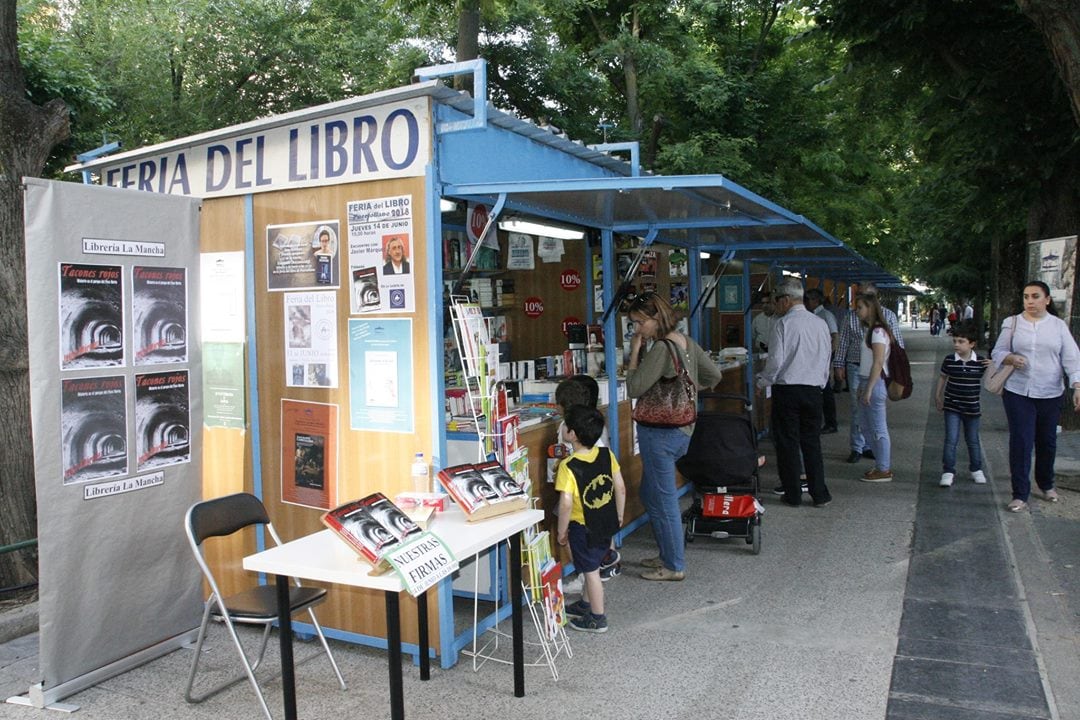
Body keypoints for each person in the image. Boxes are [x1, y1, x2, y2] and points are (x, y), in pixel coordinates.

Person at [626, 291, 723, 580]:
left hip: (661, 433)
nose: (637, 330)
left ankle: (674, 566)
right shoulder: (685, 341)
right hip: (682, 429)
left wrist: (634, 353)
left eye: (639, 323)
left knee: (664, 498)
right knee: (650, 493)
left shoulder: (660, 348)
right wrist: (688, 395)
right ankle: (667, 553)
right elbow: (713, 376)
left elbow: (634, 387)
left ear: (655, 318)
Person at [991, 281, 1080, 512]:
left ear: (1047, 300)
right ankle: (1020, 493)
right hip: (1018, 391)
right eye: (1026, 296)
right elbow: (997, 351)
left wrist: (1077, 386)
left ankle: (1046, 484)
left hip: (1050, 393)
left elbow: (1072, 358)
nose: (1029, 301)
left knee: (1047, 442)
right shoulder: (1012, 323)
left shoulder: (1058, 326)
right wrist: (1010, 358)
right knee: (1021, 441)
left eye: (1035, 296)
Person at [756, 278, 833, 508]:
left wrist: (762, 381)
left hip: (787, 391)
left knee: (787, 443)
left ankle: (793, 493)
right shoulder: (819, 323)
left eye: (777, 300)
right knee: (812, 442)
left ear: (786, 299)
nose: (776, 305)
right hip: (813, 390)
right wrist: (820, 383)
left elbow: (776, 360)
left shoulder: (783, 324)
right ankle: (820, 493)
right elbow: (825, 356)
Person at [556, 406, 626, 633]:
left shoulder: (569, 466)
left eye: (566, 426)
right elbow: (620, 488)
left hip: (582, 527)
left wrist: (561, 531)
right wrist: (619, 514)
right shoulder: (607, 455)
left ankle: (597, 618)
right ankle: (585, 604)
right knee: (591, 565)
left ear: (573, 434)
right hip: (605, 522)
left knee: (591, 572)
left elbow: (566, 504)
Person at [554, 375, 621, 581]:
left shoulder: (569, 430)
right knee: (601, 527)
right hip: (600, 493)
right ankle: (607, 562)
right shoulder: (594, 422)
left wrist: (561, 531)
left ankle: (585, 575)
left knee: (571, 529)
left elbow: (565, 504)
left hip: (579, 499)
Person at [935, 320, 990, 487]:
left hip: (972, 408)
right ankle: (948, 471)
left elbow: (992, 380)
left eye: (961, 341)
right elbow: (943, 377)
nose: (956, 345)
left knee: (973, 440)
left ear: (972, 344)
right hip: (952, 406)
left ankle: (976, 468)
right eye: (955, 341)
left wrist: (993, 366)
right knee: (951, 439)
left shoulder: (980, 362)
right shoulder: (950, 360)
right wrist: (938, 396)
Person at [854, 292, 894, 482]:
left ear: (870, 308)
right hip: (867, 380)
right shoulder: (871, 331)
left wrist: (868, 388)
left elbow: (878, 362)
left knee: (878, 427)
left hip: (874, 382)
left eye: (860, 307)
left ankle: (884, 468)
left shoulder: (877, 332)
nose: (857, 310)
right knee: (866, 425)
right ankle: (880, 464)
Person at [805, 288, 839, 434]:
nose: (806, 303)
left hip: (823, 358)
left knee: (826, 391)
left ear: (816, 300)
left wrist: (828, 358)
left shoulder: (826, 315)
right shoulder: (811, 315)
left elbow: (835, 337)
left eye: (808, 299)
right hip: (815, 358)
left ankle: (831, 422)